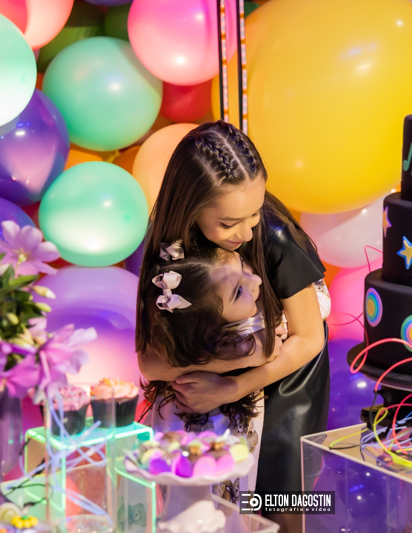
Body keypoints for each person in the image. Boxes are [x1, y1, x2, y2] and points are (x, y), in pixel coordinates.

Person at [135, 120, 329, 531]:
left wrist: (236, 385)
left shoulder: (274, 236)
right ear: (190, 208)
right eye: (228, 223)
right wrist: (237, 359)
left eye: (255, 213)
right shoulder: (168, 244)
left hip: (287, 379)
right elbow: (150, 362)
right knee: (208, 506)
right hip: (212, 391)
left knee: (281, 503)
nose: (246, 231)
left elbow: (309, 337)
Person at [139, 245, 274, 502]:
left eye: (244, 265)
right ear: (206, 324)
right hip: (196, 434)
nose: (256, 280)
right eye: (238, 291)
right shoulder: (249, 333)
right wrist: (248, 350)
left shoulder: (250, 322)